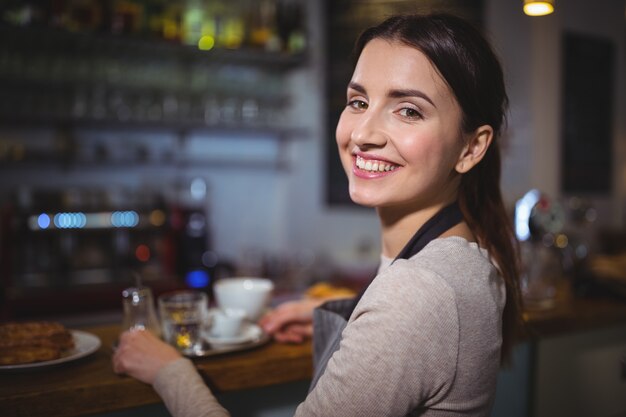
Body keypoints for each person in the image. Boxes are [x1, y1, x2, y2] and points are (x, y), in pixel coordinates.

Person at [112, 12, 521, 417]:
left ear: (472, 148)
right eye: (358, 102)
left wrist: (170, 371)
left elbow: (416, 310)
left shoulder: (416, 295)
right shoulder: (471, 258)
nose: (362, 134)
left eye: (408, 110)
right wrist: (353, 314)